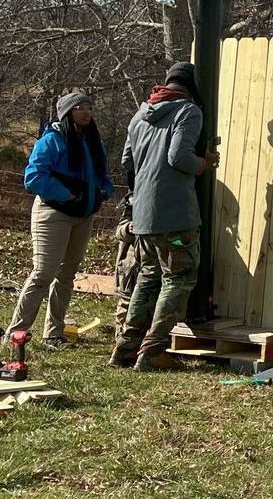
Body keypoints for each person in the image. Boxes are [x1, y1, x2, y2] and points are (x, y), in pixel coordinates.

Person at [113, 62, 218, 370]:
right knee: (178, 277)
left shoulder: (140, 114)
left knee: (148, 278)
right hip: (175, 214)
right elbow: (178, 156)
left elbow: (127, 162)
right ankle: (153, 350)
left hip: (143, 215)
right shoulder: (188, 111)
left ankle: (125, 348)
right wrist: (204, 164)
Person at [10, 92, 112, 349]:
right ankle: (17, 333)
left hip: (84, 216)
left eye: (89, 106)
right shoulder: (52, 140)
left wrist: (104, 191)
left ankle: (53, 334)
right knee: (43, 273)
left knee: (67, 275)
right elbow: (33, 177)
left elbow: (102, 174)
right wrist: (65, 194)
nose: (86, 112)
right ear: (67, 113)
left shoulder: (91, 141)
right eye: (80, 107)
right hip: (53, 215)